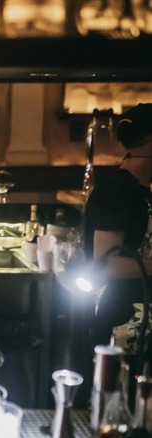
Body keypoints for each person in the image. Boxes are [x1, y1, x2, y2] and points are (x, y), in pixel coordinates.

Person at [83, 103, 152, 355]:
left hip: (142, 328)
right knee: (119, 395)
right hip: (123, 328)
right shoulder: (117, 191)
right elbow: (105, 265)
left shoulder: (139, 190)